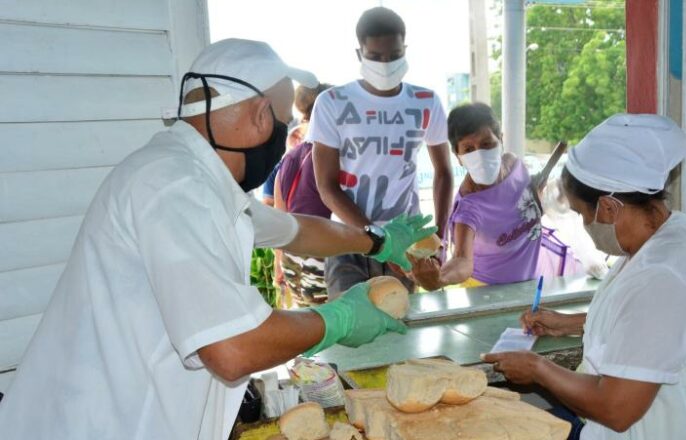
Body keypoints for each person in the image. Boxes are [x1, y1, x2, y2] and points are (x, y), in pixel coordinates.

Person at [0, 39, 436, 440]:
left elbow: (298, 231)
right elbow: (234, 347)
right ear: (262, 116)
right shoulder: (173, 186)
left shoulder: (197, 178)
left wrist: (375, 243)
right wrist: (338, 319)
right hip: (96, 425)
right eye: (284, 123)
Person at [483, 114, 686, 439]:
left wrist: (538, 368)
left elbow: (616, 409)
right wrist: (570, 322)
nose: (584, 224)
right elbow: (649, 324)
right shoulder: (665, 234)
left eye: (582, 213)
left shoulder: (662, 276)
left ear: (608, 208)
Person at [309, 6, 454, 298]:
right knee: (351, 330)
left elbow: (444, 174)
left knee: (400, 328)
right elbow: (326, 186)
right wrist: (378, 240)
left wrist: (438, 238)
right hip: (347, 240)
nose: (386, 64)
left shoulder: (426, 101)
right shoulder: (332, 102)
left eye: (395, 55)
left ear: (405, 49)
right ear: (359, 53)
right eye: (375, 57)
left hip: (405, 241)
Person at [410, 103, 574, 290]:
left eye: (487, 144)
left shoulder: (515, 167)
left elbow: (527, 208)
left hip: (533, 280)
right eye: (469, 149)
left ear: (501, 141)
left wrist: (543, 198)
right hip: (487, 294)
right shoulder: (469, 207)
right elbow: (462, 260)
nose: (480, 154)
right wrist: (440, 279)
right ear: (458, 156)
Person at [274, 83, 334, 306]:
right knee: (335, 331)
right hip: (321, 261)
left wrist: (279, 263)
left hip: (293, 262)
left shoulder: (291, 155)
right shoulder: (332, 154)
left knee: (309, 328)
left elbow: (279, 215)